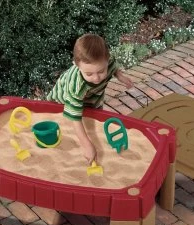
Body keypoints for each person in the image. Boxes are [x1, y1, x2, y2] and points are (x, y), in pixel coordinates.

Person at [47, 33, 134, 164]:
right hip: (61, 101)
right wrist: (86, 145)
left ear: (106, 60)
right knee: (71, 122)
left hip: (93, 98)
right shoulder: (76, 86)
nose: (96, 78)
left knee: (94, 117)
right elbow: (74, 117)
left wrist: (120, 76)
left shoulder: (107, 63)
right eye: (89, 74)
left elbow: (113, 66)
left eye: (101, 71)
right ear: (76, 65)